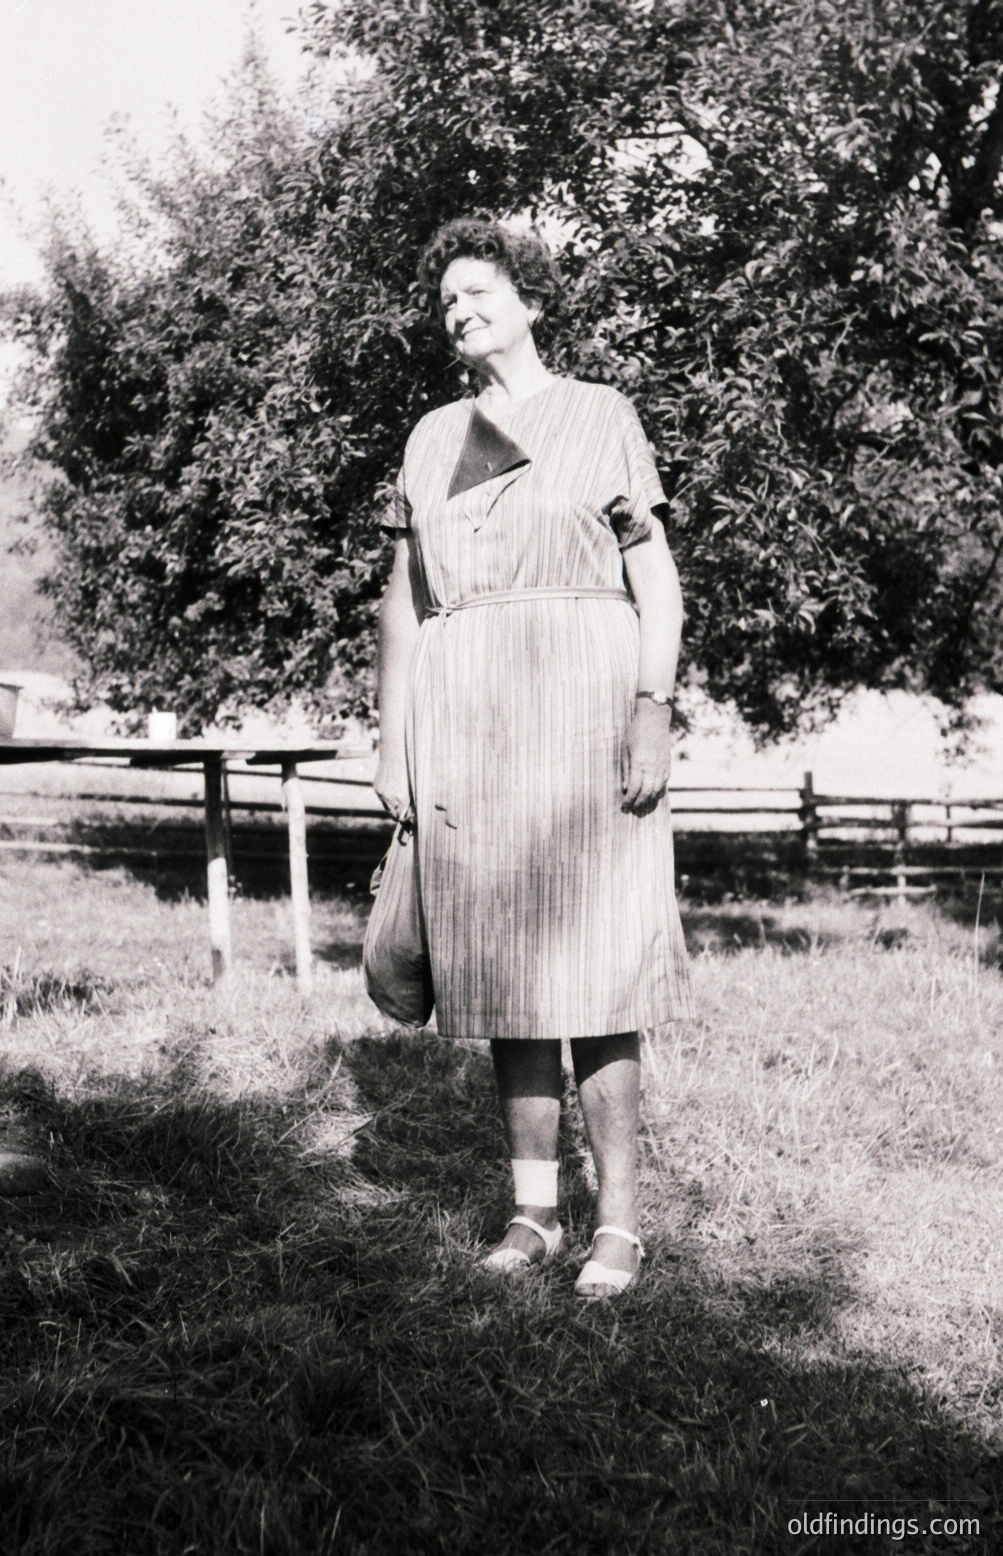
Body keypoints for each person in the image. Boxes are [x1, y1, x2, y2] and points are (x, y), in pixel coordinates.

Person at [374, 217, 693, 1299]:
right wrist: (392, 741)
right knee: (504, 970)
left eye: (479, 290)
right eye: (445, 299)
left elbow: (657, 581)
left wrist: (653, 707)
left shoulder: (601, 415)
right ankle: (533, 1210)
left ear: (531, 300)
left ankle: (619, 1225)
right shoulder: (428, 438)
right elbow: (405, 606)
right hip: (467, 725)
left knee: (600, 972)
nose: (458, 309)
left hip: (591, 710)